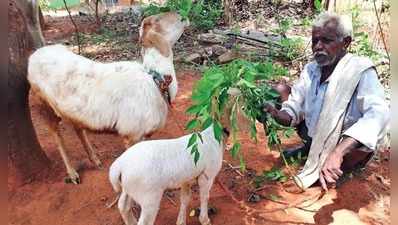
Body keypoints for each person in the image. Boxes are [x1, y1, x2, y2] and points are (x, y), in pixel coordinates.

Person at [262, 12, 389, 191]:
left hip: (346, 148)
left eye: (327, 41)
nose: (318, 47)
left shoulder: (360, 72)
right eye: (315, 41)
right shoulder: (311, 70)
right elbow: (294, 108)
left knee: (333, 166)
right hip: (316, 135)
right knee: (281, 90)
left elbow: (379, 115)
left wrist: (338, 152)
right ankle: (311, 150)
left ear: (346, 42)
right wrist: (276, 114)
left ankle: (336, 165)